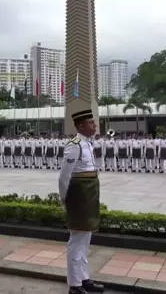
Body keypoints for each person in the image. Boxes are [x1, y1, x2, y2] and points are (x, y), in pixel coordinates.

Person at [58, 109, 104, 294]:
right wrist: (64, 198)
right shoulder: (74, 145)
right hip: (78, 196)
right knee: (76, 241)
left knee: (85, 239)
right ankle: (74, 284)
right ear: (81, 126)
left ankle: (84, 279)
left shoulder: (88, 144)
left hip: (88, 194)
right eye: (91, 123)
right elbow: (64, 177)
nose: (95, 125)